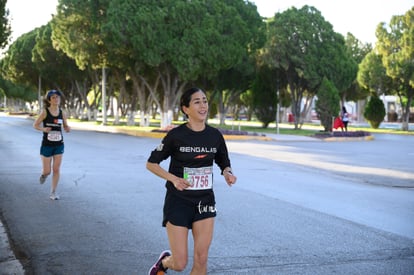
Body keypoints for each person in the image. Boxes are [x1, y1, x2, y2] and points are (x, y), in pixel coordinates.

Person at [146, 87, 237, 275]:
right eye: (197, 102)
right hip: (178, 201)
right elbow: (151, 164)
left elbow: (224, 162)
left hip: (205, 201)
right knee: (180, 263)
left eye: (205, 100)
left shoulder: (215, 136)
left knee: (202, 258)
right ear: (185, 109)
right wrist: (173, 179)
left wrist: (227, 173)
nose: (203, 105)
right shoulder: (176, 136)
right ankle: (164, 263)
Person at [33, 90, 71, 200]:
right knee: (47, 171)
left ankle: (53, 192)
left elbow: (66, 126)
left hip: (59, 144)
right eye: (53, 97)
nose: (56, 99)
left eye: (57, 97)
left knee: (56, 169)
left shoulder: (62, 113)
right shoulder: (45, 112)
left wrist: (67, 128)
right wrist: (43, 129)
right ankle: (44, 175)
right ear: (49, 99)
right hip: (47, 145)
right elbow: (35, 125)